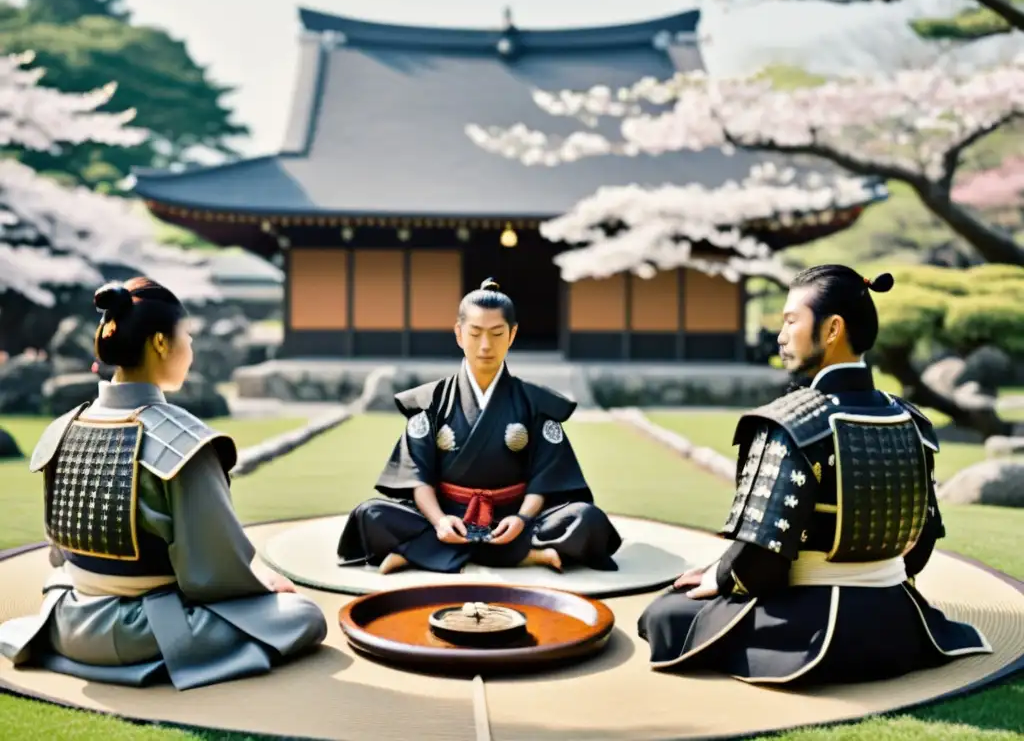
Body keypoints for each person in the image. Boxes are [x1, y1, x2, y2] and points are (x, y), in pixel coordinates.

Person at [638, 265, 991, 686]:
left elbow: (760, 567)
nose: (781, 335)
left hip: (818, 629)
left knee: (666, 614)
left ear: (832, 329)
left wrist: (720, 574)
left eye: (791, 321)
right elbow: (919, 547)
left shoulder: (791, 423)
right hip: (900, 621)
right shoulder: (911, 420)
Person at [0, 278, 327, 690]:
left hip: (66, 617)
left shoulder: (63, 428)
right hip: (145, 630)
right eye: (186, 337)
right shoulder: (186, 444)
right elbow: (215, 576)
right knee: (303, 615)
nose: (190, 350)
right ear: (159, 343)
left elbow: (57, 556)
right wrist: (263, 585)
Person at [337, 278, 622, 575]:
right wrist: (439, 521)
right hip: (448, 517)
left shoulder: (536, 403)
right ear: (459, 334)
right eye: (475, 333)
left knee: (586, 518)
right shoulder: (429, 401)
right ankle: (527, 555)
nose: (485, 345)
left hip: (515, 516)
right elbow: (416, 475)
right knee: (370, 514)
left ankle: (420, 553)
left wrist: (523, 519)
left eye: (497, 333)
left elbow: (547, 475)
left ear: (512, 335)